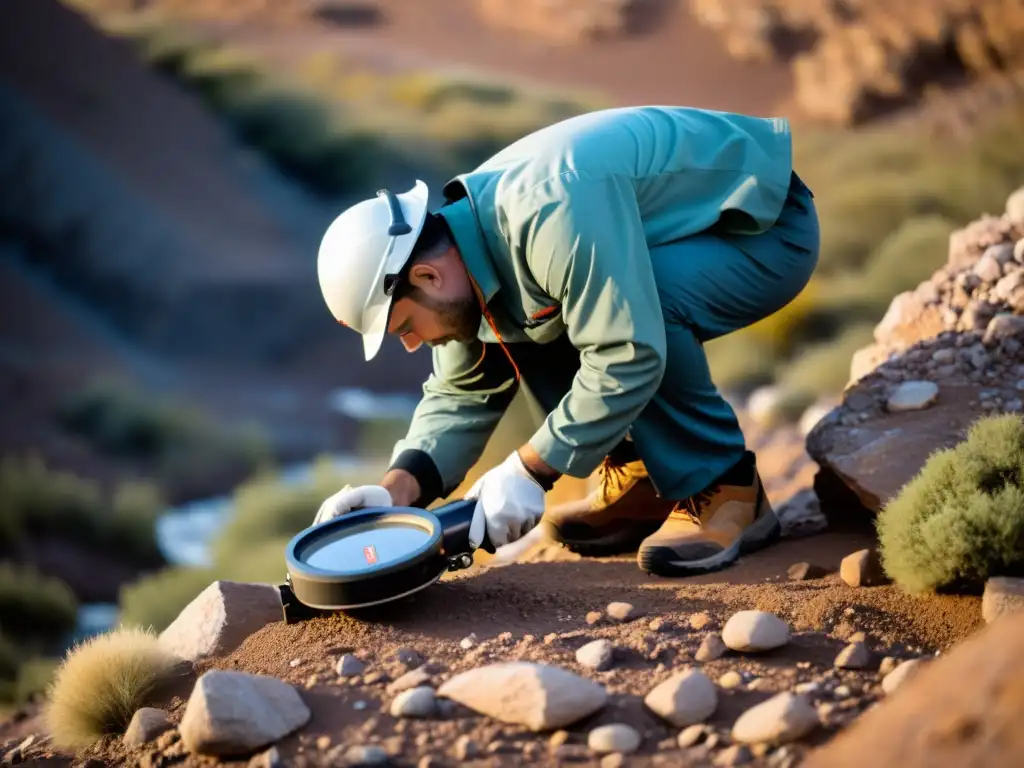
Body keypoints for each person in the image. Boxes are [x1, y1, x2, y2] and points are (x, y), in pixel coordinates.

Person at [312, 105, 820, 577]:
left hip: (762, 226)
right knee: (527, 318)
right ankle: (643, 476)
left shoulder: (545, 213)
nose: (409, 345)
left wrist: (531, 469)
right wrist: (395, 491)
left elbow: (629, 354)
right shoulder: (464, 258)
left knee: (632, 308)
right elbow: (461, 393)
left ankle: (726, 488)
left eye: (403, 327)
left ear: (425, 276)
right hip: (683, 237)